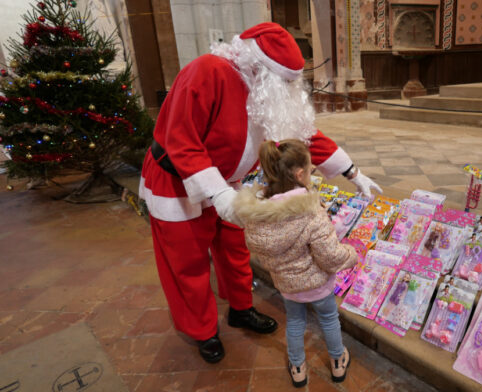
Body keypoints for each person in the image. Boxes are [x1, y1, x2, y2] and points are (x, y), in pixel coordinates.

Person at [139, 22, 381, 363]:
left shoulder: (267, 89)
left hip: (229, 183)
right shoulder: (206, 72)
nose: (289, 89)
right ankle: (203, 331)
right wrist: (218, 195)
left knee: (235, 249)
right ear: (261, 67)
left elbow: (303, 136)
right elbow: (183, 140)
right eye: (286, 81)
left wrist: (353, 172)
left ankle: (240, 309)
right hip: (178, 180)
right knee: (187, 263)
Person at [234, 140, 357, 387]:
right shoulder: (311, 211)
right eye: (312, 170)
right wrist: (350, 255)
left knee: (295, 322)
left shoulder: (260, 216)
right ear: (300, 174)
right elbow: (330, 255)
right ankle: (337, 362)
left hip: (288, 287)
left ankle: (298, 366)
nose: (312, 175)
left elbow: (265, 252)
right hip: (318, 284)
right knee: (329, 318)